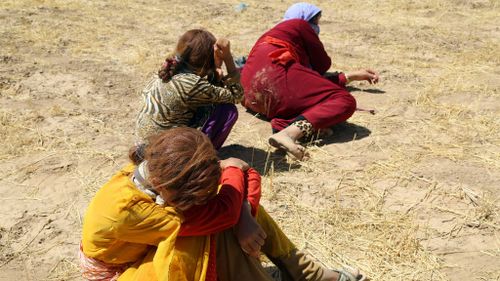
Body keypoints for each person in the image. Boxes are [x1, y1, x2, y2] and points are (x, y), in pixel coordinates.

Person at [80, 128, 365, 281]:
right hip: (120, 271)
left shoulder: (162, 168)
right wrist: (238, 211)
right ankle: (306, 274)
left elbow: (245, 173)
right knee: (205, 240)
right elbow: (230, 193)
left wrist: (243, 213)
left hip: (149, 244)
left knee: (229, 212)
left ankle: (306, 273)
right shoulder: (129, 210)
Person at [241, 3, 380, 159]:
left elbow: (308, 81)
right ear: (306, 19)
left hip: (253, 98)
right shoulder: (299, 25)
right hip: (275, 77)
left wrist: (350, 76)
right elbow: (322, 65)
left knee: (309, 101)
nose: (317, 28)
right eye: (316, 22)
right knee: (345, 101)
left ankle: (287, 126)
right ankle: (289, 134)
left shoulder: (273, 37)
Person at [135, 29, 243, 150]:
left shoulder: (164, 73)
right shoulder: (192, 84)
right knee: (227, 111)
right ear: (207, 59)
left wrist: (215, 67)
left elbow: (208, 94)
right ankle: (203, 158)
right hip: (163, 156)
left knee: (209, 106)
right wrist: (228, 58)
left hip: (142, 148)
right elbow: (236, 96)